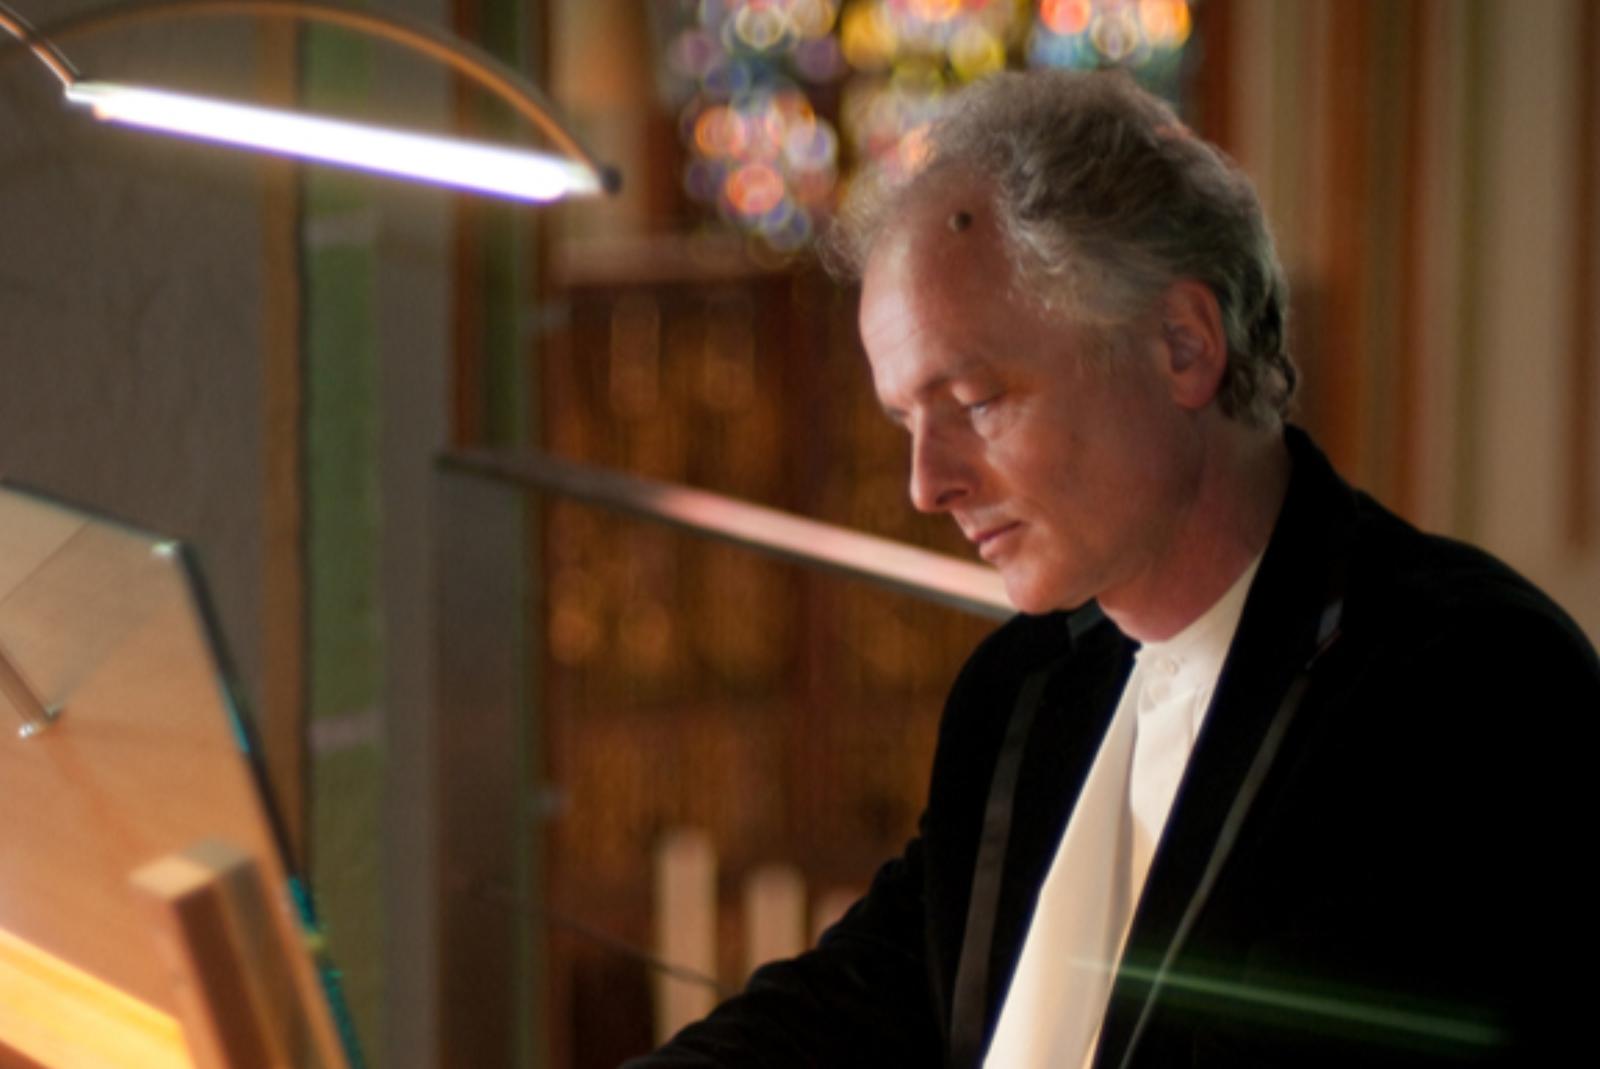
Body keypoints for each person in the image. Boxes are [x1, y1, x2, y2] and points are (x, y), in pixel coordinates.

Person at [625, 70, 1599, 1068]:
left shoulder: (1467, 682)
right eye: (905, 420)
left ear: (1181, 346)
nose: (925, 484)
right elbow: (858, 994)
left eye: (975, 402)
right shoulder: (1024, 685)